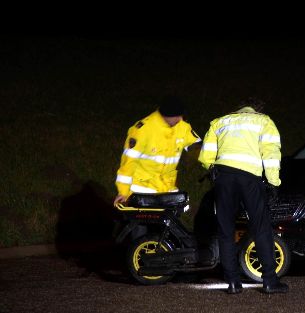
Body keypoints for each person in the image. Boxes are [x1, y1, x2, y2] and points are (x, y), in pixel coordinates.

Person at [198, 98, 289, 294]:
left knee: (225, 229)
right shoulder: (264, 122)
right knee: (261, 227)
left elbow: (205, 156)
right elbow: (271, 154)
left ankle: (232, 282)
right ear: (257, 110)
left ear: (238, 109)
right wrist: (273, 183)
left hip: (224, 178)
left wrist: (211, 168)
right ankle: (269, 281)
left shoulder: (220, 122)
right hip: (249, 178)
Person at [114, 96, 201, 205]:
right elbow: (128, 163)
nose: (180, 119)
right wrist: (123, 192)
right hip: (143, 192)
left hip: (168, 191)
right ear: (166, 115)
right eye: (176, 116)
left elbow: (197, 147)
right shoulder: (142, 130)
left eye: (181, 115)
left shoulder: (182, 126)